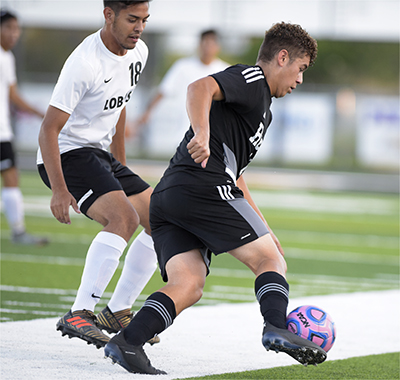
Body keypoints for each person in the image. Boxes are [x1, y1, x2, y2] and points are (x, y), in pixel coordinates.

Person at [104, 22, 325, 375]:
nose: (299, 80)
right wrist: (202, 133)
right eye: (300, 69)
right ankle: (276, 327)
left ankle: (128, 341)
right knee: (270, 262)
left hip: (172, 197)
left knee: (188, 285)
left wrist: (265, 226)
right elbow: (199, 87)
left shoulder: (262, 107)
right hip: (202, 187)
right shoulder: (252, 79)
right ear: (282, 58)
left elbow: (236, 173)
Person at [37, 0, 159, 349]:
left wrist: (119, 167)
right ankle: (80, 312)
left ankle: (117, 311)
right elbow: (48, 130)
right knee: (123, 218)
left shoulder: (139, 53)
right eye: (132, 19)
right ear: (109, 15)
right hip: (67, 154)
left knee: (160, 217)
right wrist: (59, 191)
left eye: (144, 21)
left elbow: (120, 106)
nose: (139, 28)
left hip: (99, 156)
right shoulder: (84, 62)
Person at [0, 9, 48, 245]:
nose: (14, 34)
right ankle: (18, 232)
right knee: (11, 180)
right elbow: (14, 97)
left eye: (16, 29)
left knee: (11, 180)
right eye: (9, 28)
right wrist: (43, 114)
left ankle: (18, 232)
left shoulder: (7, 57)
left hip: (3, 132)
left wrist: (40, 113)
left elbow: (12, 96)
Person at [134, 29, 229, 141]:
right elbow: (163, 91)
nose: (207, 47)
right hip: (184, 133)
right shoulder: (183, 66)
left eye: (211, 43)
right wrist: (147, 113)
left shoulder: (225, 71)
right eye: (205, 42)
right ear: (199, 44)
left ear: (218, 47)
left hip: (214, 135)